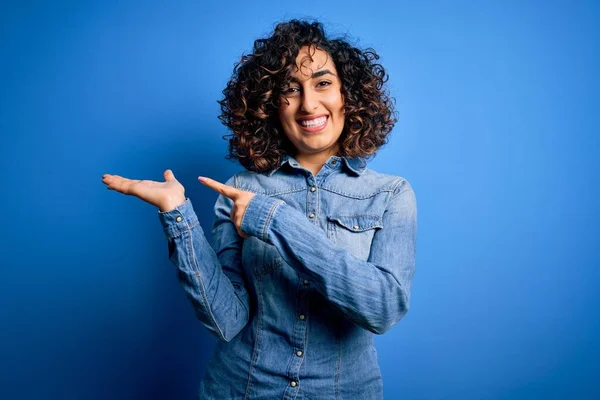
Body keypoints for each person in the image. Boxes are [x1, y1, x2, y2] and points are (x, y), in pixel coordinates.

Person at [102, 19, 416, 400]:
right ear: (270, 104)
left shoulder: (390, 194)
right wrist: (177, 215)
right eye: (290, 88)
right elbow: (226, 322)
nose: (309, 103)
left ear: (347, 94)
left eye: (322, 83)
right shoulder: (240, 189)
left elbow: (381, 309)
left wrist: (275, 221)